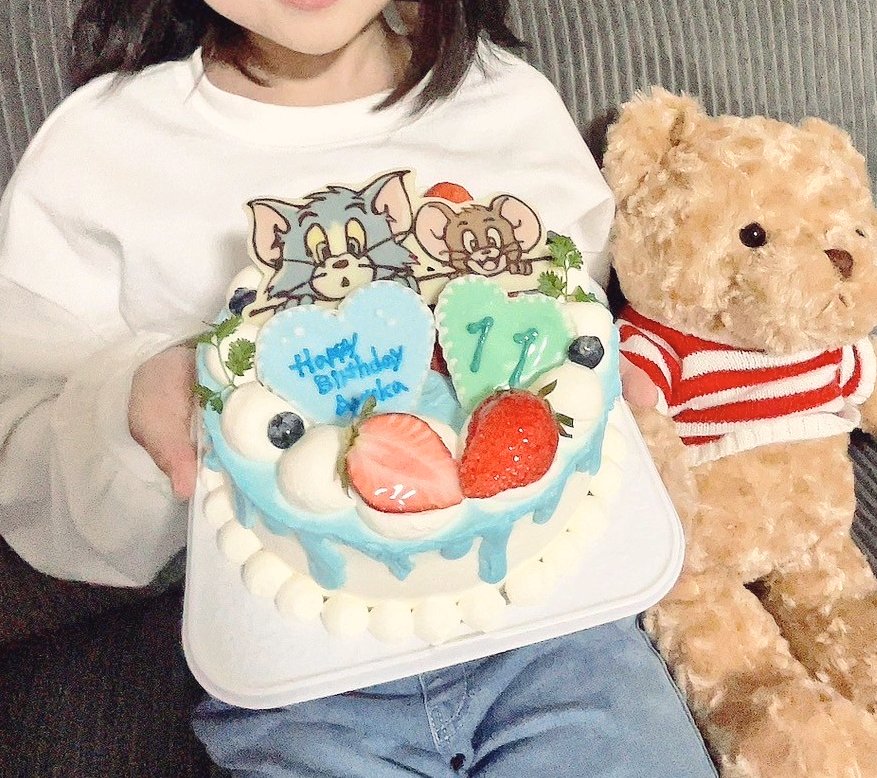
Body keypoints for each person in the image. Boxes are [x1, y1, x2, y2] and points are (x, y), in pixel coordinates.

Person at [0, 1, 718, 775]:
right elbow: (29, 478)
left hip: (563, 633)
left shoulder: (509, 105)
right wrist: (128, 409)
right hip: (291, 676)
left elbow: (578, 336)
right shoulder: (101, 149)